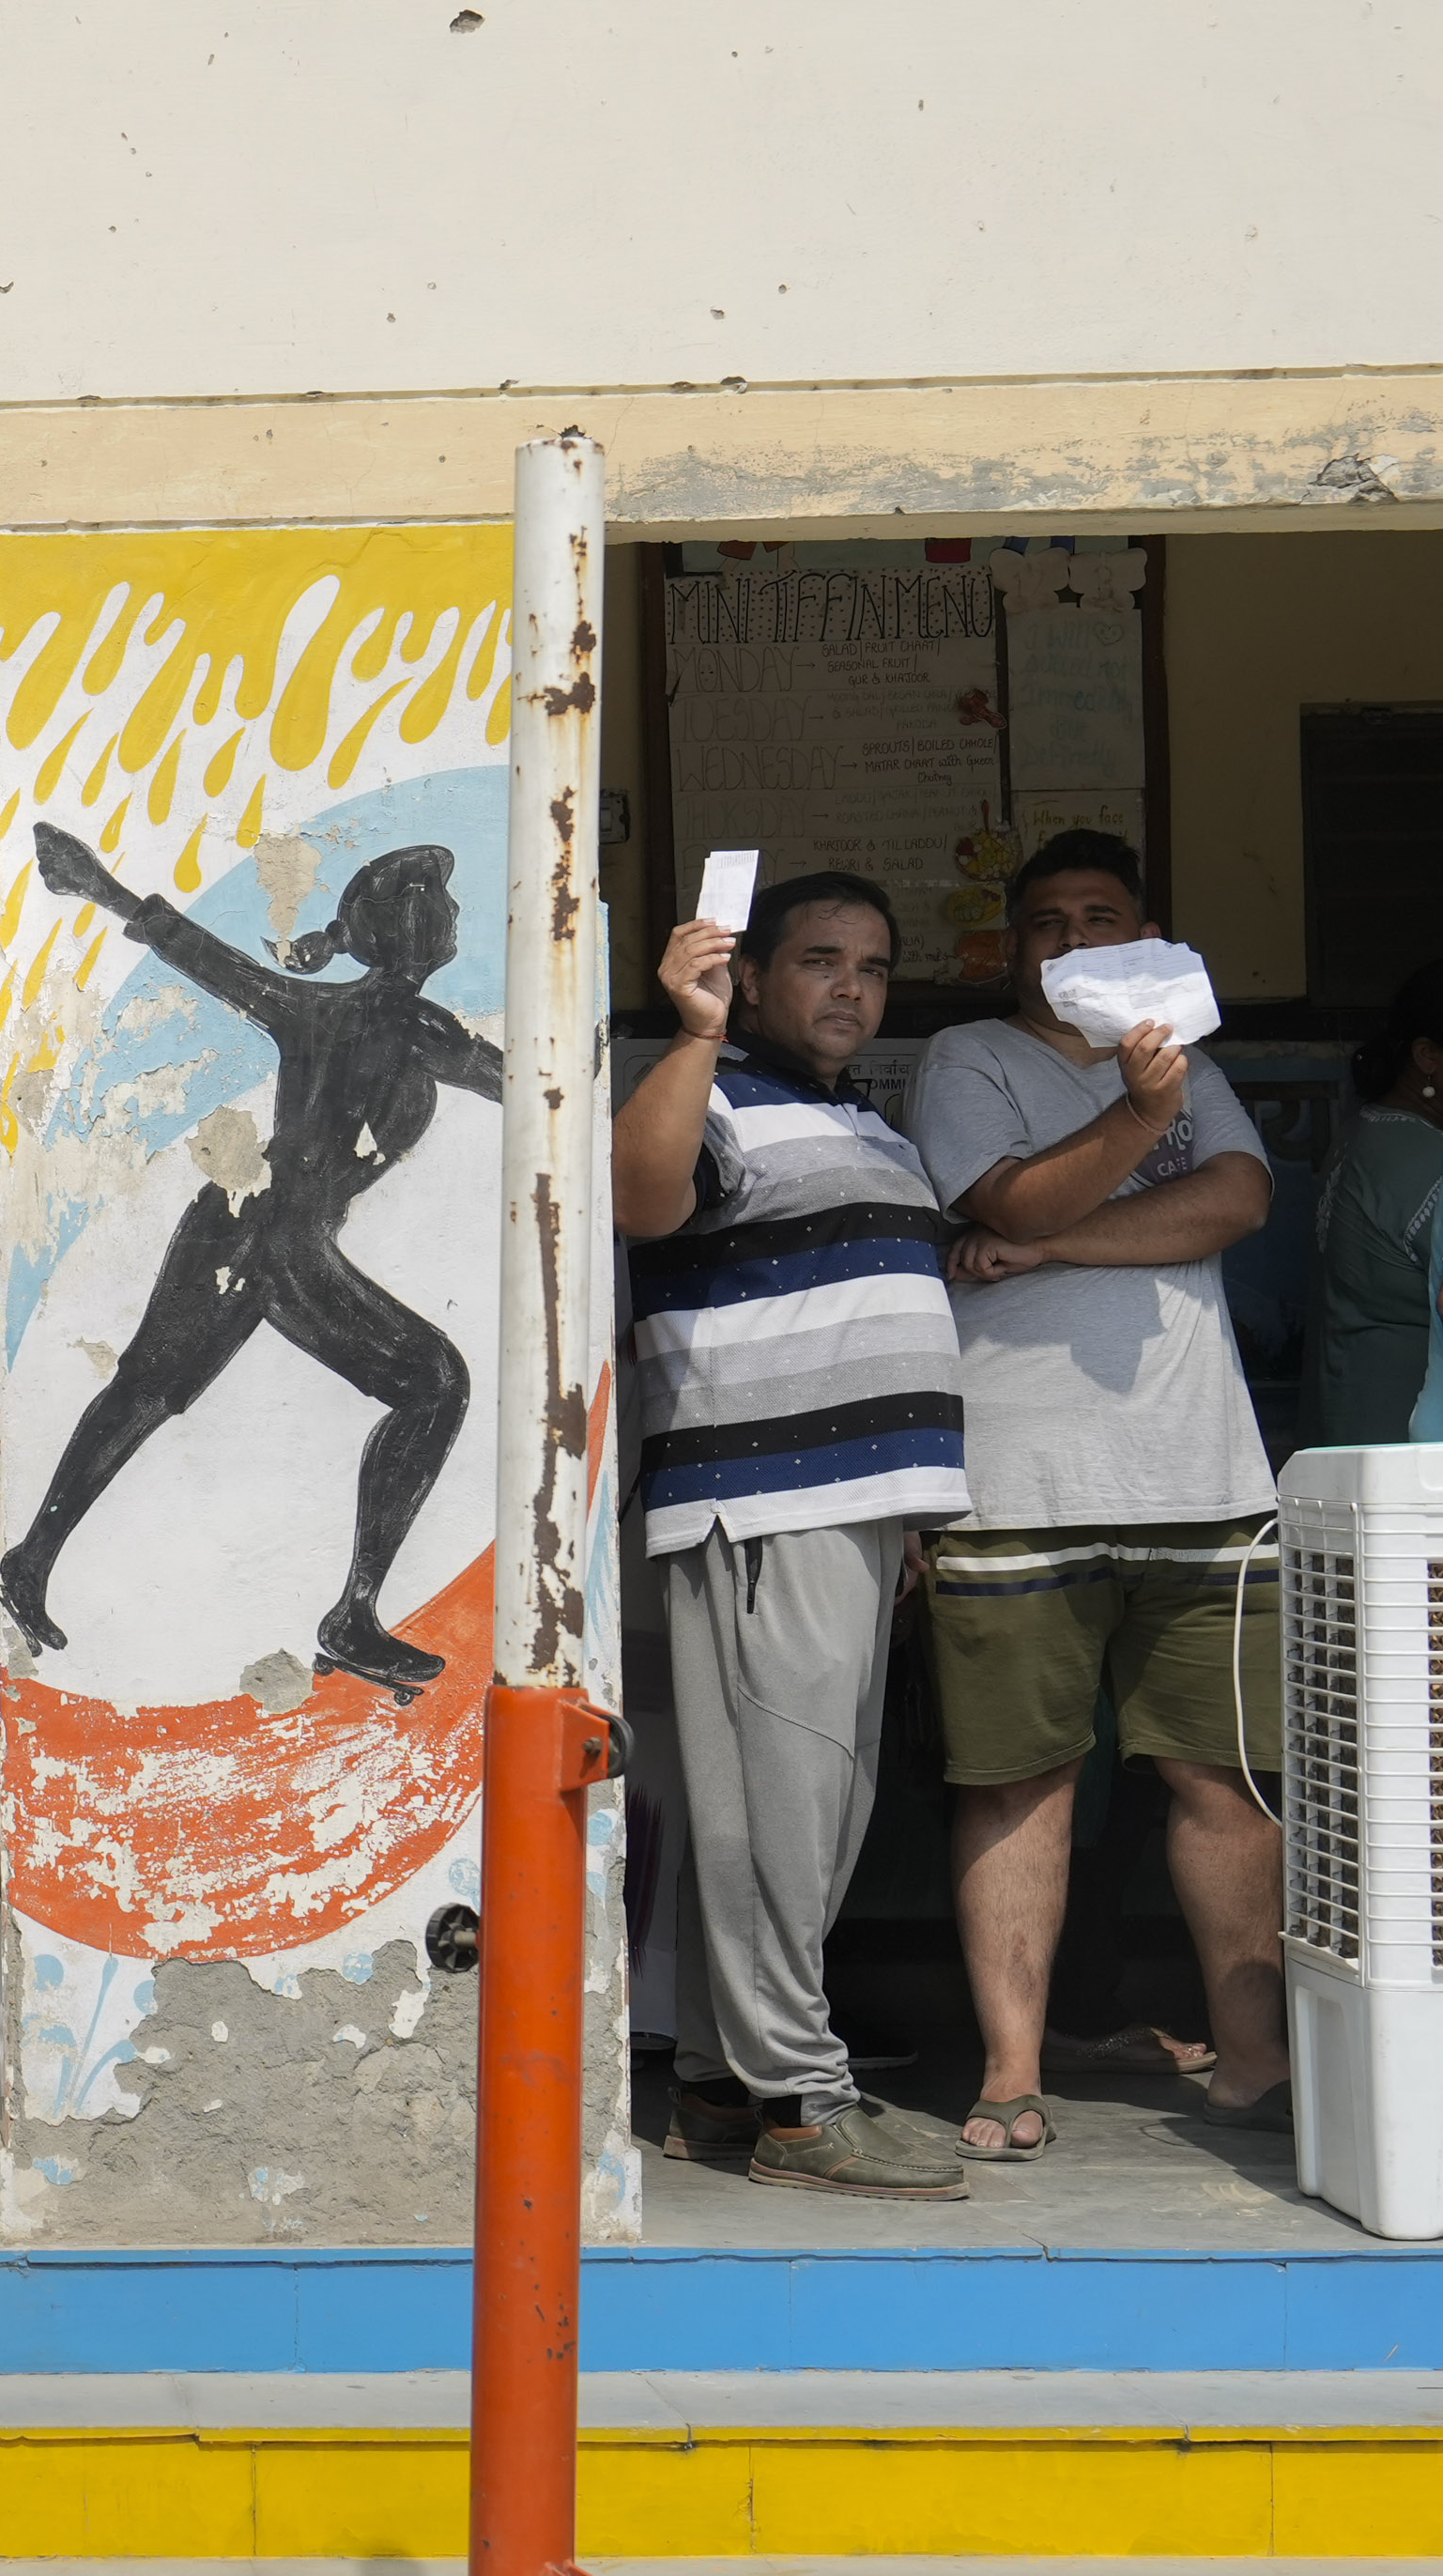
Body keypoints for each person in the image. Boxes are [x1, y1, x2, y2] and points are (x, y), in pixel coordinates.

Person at [903, 832, 1294, 2158]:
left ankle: (1255, 2061)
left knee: (1224, 1778)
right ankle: (1011, 2071)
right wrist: (1128, 1133)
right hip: (1023, 1475)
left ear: (1146, 941)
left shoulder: (1200, 1066)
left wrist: (1051, 1242)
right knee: (1022, 1780)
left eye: (1102, 917)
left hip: (1204, 1474)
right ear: (1013, 947)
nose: (1073, 939)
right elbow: (1003, 1186)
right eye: (1050, 921)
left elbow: (1235, 1199)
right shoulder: (968, 1059)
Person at [615, 875, 973, 2200]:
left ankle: (718, 2080)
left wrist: (905, 1516)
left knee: (808, 1813)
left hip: (855, 1513)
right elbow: (638, 1199)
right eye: (819, 959)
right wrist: (694, 1031)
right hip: (766, 1503)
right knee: (783, 1819)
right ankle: (805, 2104)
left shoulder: (862, 1122)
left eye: (873, 966)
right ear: (751, 975)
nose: (850, 986)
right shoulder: (709, 1094)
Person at [1, 825, 501, 1697]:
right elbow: (524, 1079)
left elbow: (212, 961)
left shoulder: (327, 1006)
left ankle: (31, 1558)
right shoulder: (408, 1019)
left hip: (237, 1226)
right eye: (444, 899)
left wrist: (105, 889)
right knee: (435, 1384)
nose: (457, 911)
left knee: (144, 1393)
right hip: (276, 1241)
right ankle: (350, 1616)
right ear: (416, 924)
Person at [1311, 960, 1443, 1446]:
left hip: (1349, 1436)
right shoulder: (1429, 1160)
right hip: (1414, 1460)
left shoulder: (1365, 1131)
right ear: (1427, 1055)